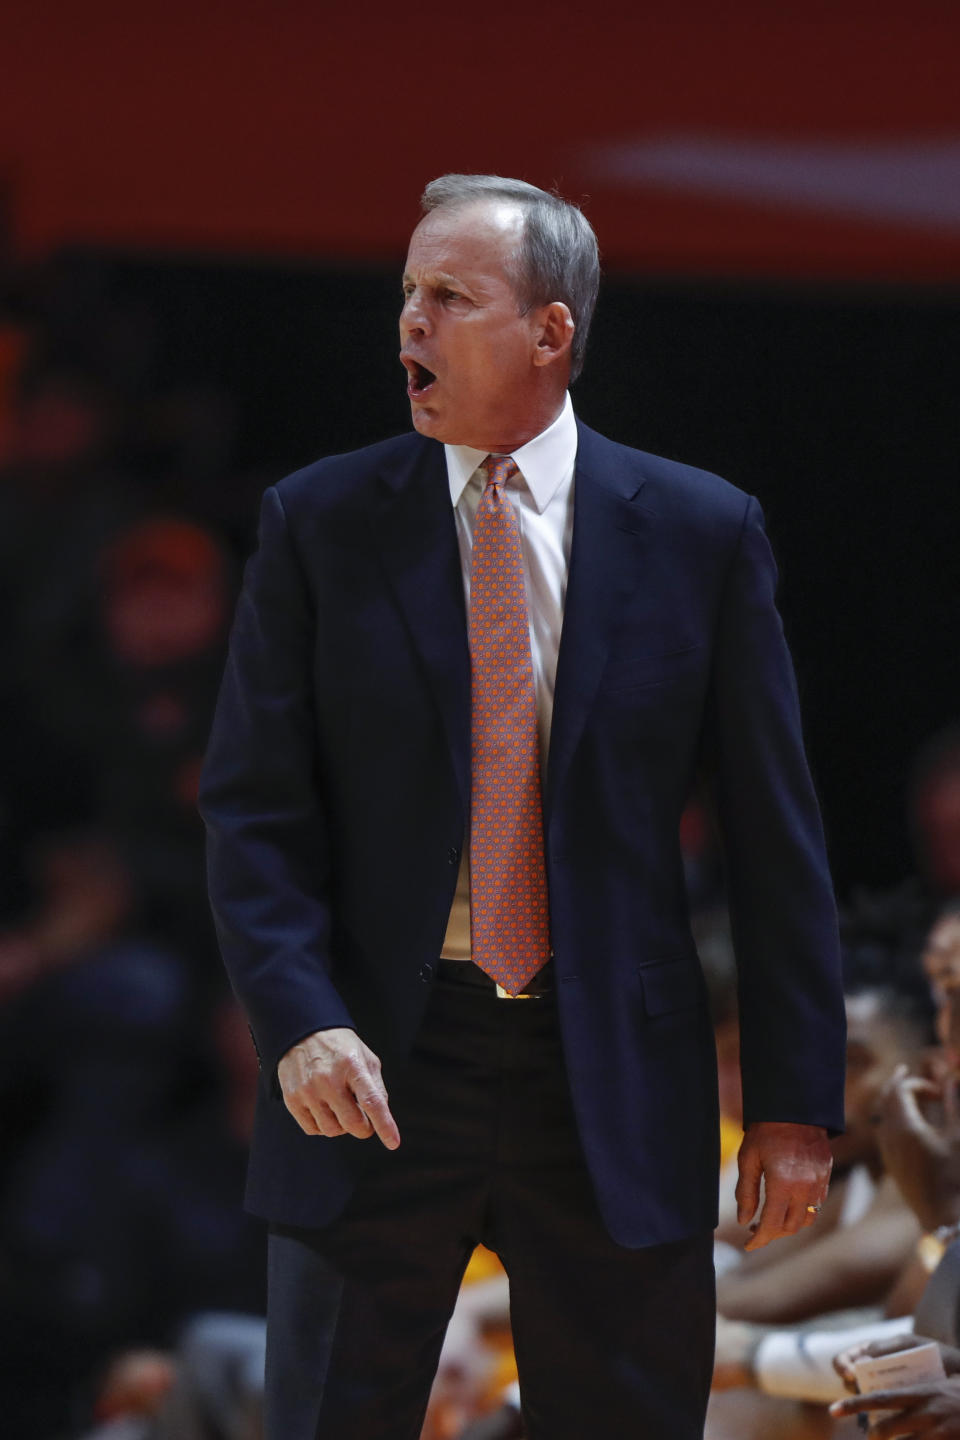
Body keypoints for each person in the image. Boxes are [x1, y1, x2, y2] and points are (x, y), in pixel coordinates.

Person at [198, 174, 846, 1440]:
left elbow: (780, 838)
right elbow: (254, 809)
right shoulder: (320, 522)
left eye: (449, 297)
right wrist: (298, 1021)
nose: (409, 327)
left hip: (613, 1071)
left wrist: (792, 1102)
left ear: (552, 332)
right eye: (405, 295)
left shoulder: (702, 531)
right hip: (378, 1068)